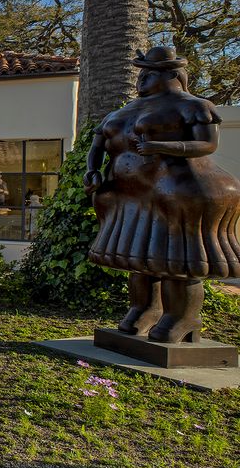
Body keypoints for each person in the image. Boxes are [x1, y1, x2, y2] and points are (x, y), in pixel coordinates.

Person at [84, 46, 240, 342]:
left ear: (172, 74)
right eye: (141, 72)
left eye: (149, 73)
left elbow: (207, 145)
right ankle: (144, 310)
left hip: (178, 193)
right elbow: (98, 148)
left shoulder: (194, 106)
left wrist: (164, 148)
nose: (141, 78)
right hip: (131, 196)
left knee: (178, 262)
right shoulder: (122, 112)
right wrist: (92, 171)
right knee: (139, 260)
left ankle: (183, 318)